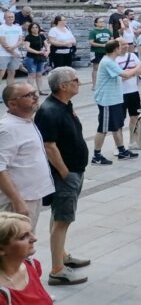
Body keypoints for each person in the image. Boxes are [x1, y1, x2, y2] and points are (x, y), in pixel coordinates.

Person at [34, 67, 91, 286]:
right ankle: (57, 270)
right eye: (74, 79)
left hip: (75, 169)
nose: (79, 81)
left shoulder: (64, 105)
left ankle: (62, 255)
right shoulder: (50, 110)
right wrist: (65, 172)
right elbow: (49, 146)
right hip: (65, 174)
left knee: (60, 216)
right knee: (62, 219)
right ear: (62, 86)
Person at [0, 83, 54, 230]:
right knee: (15, 246)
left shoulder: (26, 121)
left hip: (32, 196)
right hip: (19, 199)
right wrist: (17, 201)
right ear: (12, 104)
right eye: (28, 95)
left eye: (34, 92)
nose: (35, 97)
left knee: (26, 244)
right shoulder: (7, 128)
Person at [92, 40, 141, 164]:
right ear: (116, 49)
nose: (123, 48)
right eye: (121, 47)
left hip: (114, 99)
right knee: (103, 128)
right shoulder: (108, 62)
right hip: (107, 100)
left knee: (116, 126)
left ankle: (122, 151)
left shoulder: (111, 61)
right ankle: (96, 156)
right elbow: (125, 75)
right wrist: (138, 66)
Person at [0, 211, 54, 303]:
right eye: (23, 237)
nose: (34, 239)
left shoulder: (33, 265)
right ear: (1, 249)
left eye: (31, 232)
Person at [114, 40, 141, 150]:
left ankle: (132, 141)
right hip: (120, 93)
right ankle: (119, 145)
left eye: (127, 44)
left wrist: (128, 74)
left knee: (135, 117)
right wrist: (133, 72)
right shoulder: (114, 59)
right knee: (119, 120)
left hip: (133, 91)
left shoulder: (132, 56)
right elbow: (118, 78)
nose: (126, 46)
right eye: (123, 44)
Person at [22, 23, 49, 95]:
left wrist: (47, 51)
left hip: (40, 57)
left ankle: (40, 90)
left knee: (39, 74)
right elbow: (27, 48)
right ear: (30, 29)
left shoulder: (41, 36)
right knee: (32, 75)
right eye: (33, 28)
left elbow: (46, 45)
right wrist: (37, 52)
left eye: (36, 27)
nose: (35, 29)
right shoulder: (28, 37)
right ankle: (30, 91)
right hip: (31, 57)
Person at [87, 16, 112, 90]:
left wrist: (109, 44)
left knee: (107, 67)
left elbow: (112, 39)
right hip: (96, 51)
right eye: (100, 22)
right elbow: (91, 42)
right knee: (96, 68)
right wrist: (102, 45)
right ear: (96, 23)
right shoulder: (93, 32)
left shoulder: (107, 31)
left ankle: (106, 83)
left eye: (103, 21)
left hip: (107, 52)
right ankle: (94, 84)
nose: (102, 23)